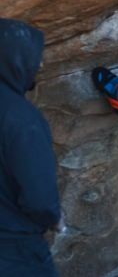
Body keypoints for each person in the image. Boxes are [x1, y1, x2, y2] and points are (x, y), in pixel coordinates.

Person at [0, 18, 62, 276]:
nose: (40, 64)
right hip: (13, 249)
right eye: (35, 56)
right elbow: (40, 198)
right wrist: (53, 217)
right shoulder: (21, 119)